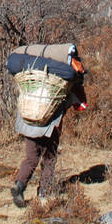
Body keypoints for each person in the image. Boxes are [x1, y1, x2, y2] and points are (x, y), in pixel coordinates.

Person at [11, 50, 86, 208]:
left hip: (28, 121)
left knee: (31, 158)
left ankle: (19, 185)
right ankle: (44, 193)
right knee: (49, 159)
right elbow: (81, 105)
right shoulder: (63, 75)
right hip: (51, 124)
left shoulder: (32, 72)